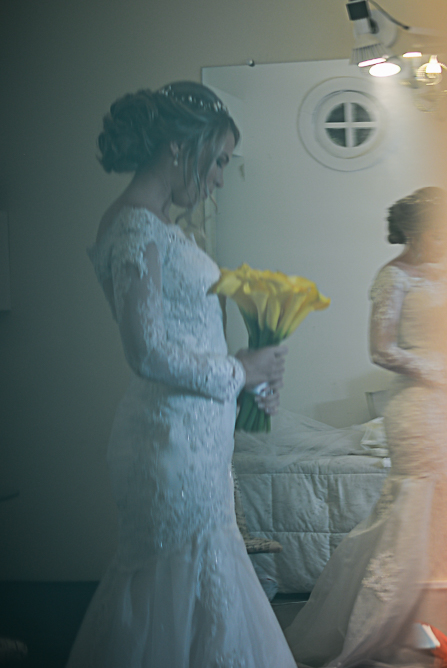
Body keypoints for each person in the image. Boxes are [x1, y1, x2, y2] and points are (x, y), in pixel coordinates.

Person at [68, 82, 295, 668]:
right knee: (176, 579)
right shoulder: (135, 227)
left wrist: (249, 376)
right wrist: (238, 369)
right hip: (169, 443)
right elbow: (146, 351)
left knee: (201, 579)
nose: (219, 178)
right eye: (218, 161)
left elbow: (184, 338)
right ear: (178, 147)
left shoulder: (156, 226)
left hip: (193, 440)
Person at [284, 188, 447, 667]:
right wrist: (438, 370)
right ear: (414, 231)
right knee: (414, 503)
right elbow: (381, 349)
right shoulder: (392, 277)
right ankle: (389, 629)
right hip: (417, 405)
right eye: (439, 231)